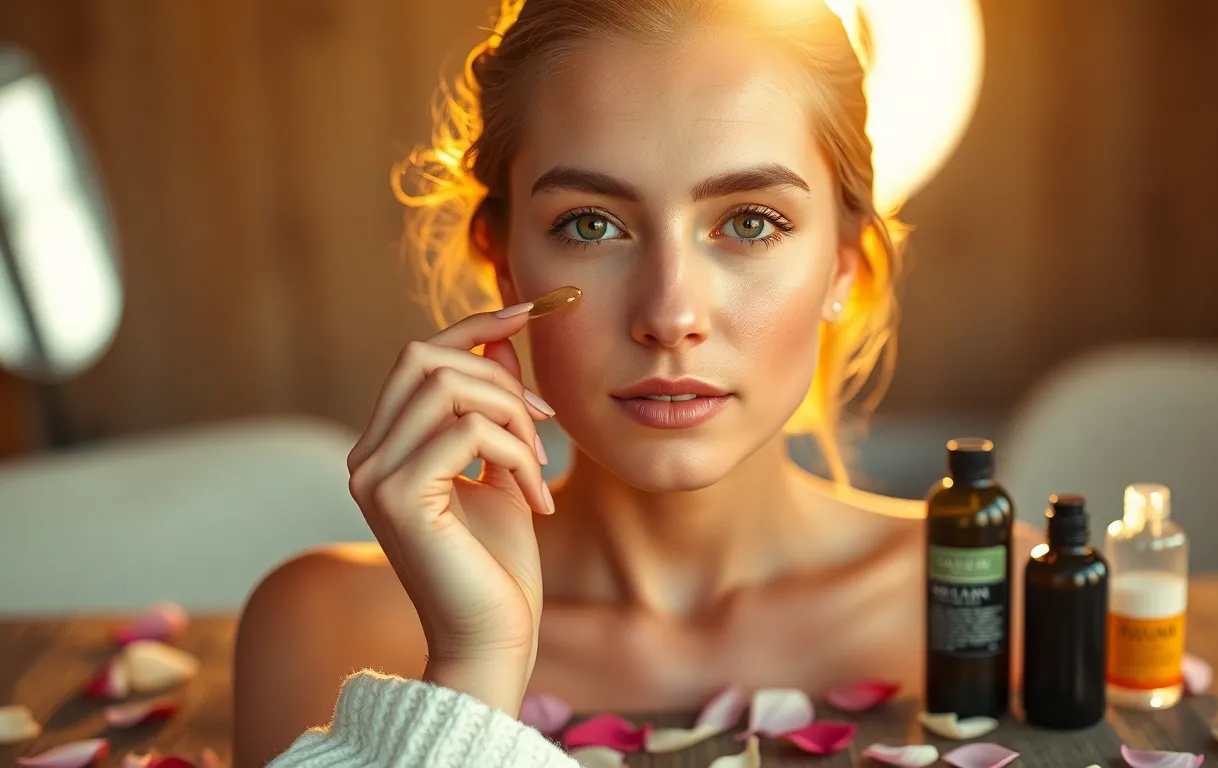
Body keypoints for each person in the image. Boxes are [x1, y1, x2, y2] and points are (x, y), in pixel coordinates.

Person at [233, 0, 1038, 764]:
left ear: (845, 266)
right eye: (592, 225)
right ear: (500, 261)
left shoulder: (1016, 598)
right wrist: (473, 664)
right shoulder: (320, 630)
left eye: (750, 222)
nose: (670, 313)